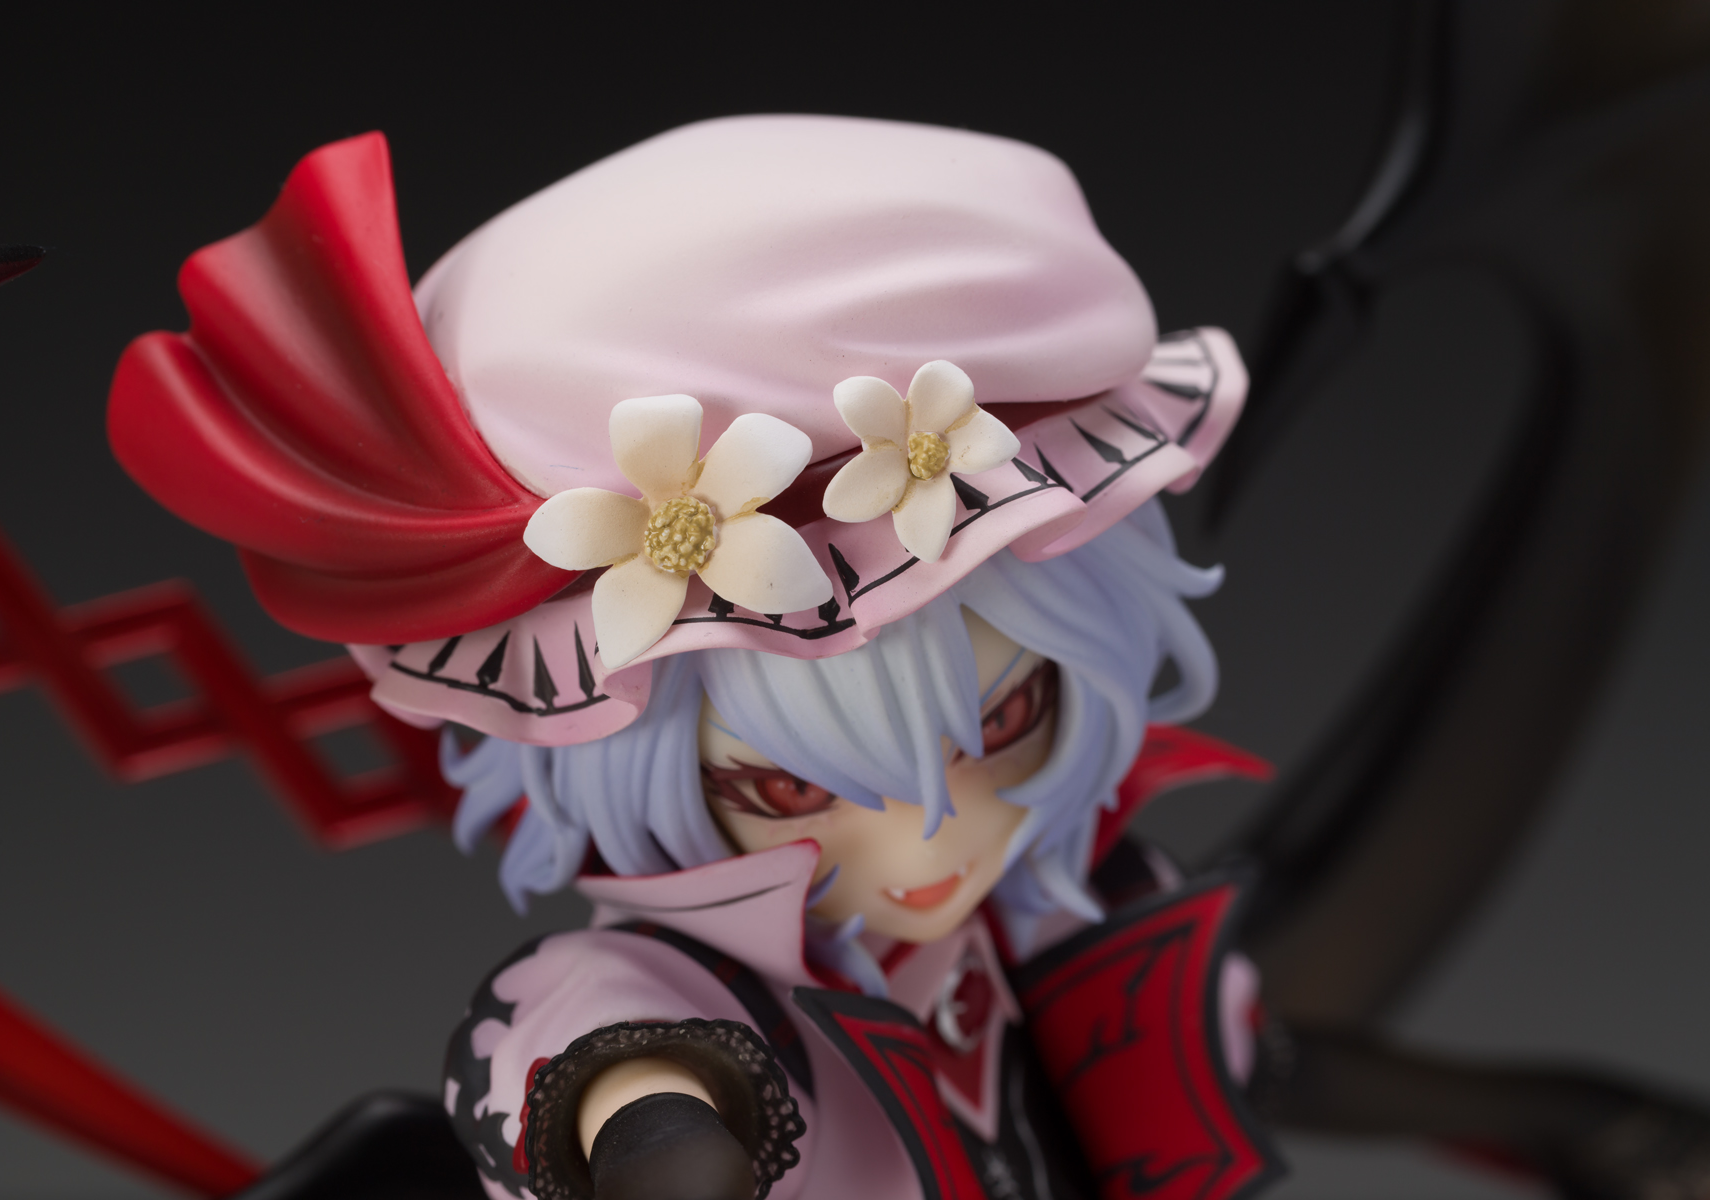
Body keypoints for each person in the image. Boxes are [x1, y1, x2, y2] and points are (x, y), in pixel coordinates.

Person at [108, 114, 1280, 1200]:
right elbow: (601, 1051)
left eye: (1007, 721)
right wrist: (659, 1136)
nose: (927, 845)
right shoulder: (688, 993)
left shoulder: (1067, 908)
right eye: (788, 790)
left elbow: (1218, 1047)